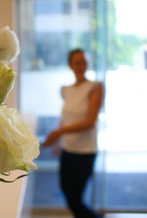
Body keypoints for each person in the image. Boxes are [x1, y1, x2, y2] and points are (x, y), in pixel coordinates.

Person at [42, 48, 103, 218]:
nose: (81, 65)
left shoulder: (95, 87)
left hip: (85, 151)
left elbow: (90, 122)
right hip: (68, 149)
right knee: (66, 191)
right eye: (77, 62)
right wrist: (59, 141)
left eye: (83, 61)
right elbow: (66, 117)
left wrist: (59, 132)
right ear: (70, 65)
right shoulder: (66, 90)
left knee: (75, 200)